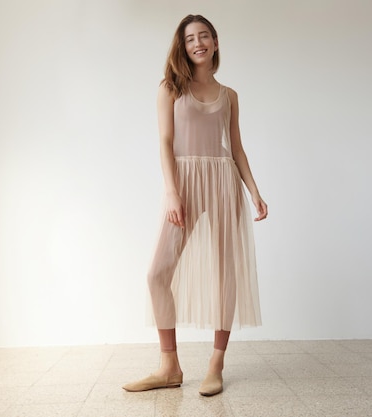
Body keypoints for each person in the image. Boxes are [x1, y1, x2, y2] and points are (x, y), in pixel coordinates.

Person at [122, 14, 268, 397]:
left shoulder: (230, 95)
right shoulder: (170, 88)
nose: (198, 42)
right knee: (157, 273)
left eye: (204, 36)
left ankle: (216, 365)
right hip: (184, 183)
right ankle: (169, 365)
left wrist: (253, 190)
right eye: (190, 38)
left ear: (216, 43)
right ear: (183, 46)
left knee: (226, 275)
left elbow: (236, 148)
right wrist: (172, 192)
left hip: (222, 182)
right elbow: (165, 143)